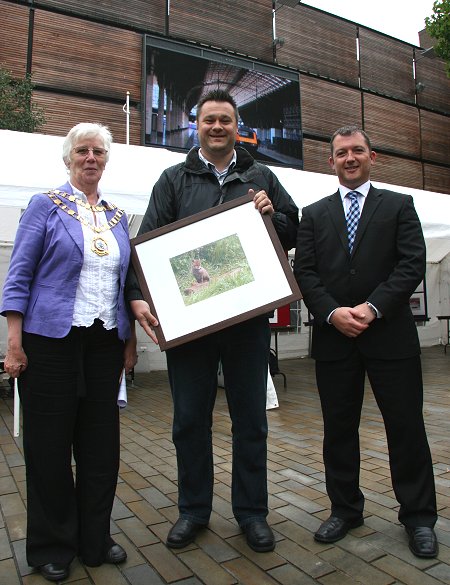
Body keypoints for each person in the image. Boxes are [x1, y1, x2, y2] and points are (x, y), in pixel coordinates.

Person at [127, 89, 299, 552]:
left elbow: (292, 229)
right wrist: (139, 296)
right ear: (197, 126)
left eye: (226, 120)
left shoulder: (260, 175)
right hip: (191, 328)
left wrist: (271, 214)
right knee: (188, 420)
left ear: (236, 125)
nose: (218, 127)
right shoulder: (173, 178)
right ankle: (193, 511)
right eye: (209, 120)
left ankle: (251, 513)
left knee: (251, 422)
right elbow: (147, 246)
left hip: (246, 323)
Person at [0, 123, 137, 581]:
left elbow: (126, 286)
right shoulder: (45, 206)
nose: (92, 158)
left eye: (99, 151)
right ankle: (51, 545)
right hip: (50, 342)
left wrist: (129, 343)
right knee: (49, 447)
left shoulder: (118, 218)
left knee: (101, 448)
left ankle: (94, 538)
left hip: (104, 343)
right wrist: (14, 342)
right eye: (83, 151)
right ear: (68, 159)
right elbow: (19, 276)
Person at [294, 125, 438, 558]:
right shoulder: (313, 214)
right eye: (342, 153)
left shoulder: (399, 205)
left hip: (390, 336)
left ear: (373, 157)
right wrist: (333, 312)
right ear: (331, 161)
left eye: (358, 150)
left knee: (406, 428)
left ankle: (418, 517)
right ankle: (345, 509)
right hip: (335, 340)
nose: (350, 158)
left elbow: (412, 263)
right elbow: (306, 273)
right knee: (339, 430)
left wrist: (372, 308)